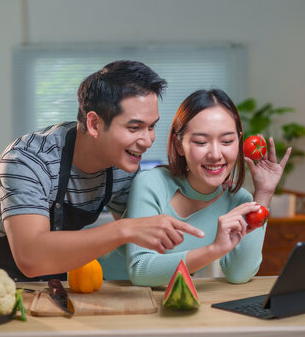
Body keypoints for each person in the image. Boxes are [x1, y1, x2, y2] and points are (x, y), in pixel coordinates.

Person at [0, 60, 204, 281]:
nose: (148, 140)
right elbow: (31, 258)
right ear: (94, 123)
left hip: (54, 283)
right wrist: (124, 229)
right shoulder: (27, 160)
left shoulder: (122, 167)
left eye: (151, 127)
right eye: (134, 127)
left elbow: (150, 241)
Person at [124, 89, 291, 286]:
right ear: (179, 145)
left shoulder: (239, 202)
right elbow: (140, 270)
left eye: (227, 141)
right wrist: (214, 249)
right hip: (114, 298)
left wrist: (263, 194)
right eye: (201, 142)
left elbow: (239, 275)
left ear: (238, 141)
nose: (215, 154)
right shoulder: (151, 184)